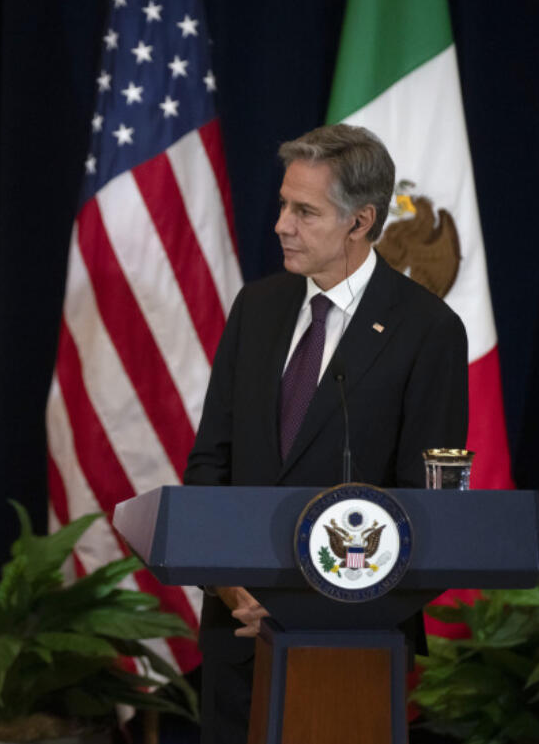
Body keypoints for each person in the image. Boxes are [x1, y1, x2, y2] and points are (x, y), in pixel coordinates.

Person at [183, 124, 468, 743]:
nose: (281, 224)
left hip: (353, 647)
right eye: (285, 204)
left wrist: (302, 606)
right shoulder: (255, 308)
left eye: (304, 211)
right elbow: (211, 464)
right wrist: (234, 589)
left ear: (360, 221)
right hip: (237, 635)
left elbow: (428, 510)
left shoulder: (427, 332)